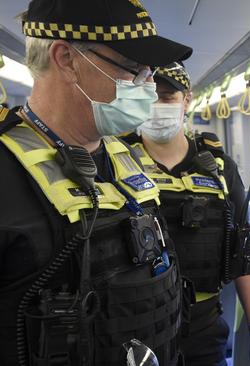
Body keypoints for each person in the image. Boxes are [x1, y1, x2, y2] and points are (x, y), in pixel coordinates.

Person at [0, 0, 193, 365]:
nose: (148, 87)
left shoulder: (126, 158)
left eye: (150, 72)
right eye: (135, 69)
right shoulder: (6, 173)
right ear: (67, 60)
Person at [128, 62, 250, 366]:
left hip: (204, 328)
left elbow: (244, 251)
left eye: (167, 97)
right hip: (135, 329)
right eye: (148, 95)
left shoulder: (220, 169)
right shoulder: (114, 162)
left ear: (187, 100)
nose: (156, 105)